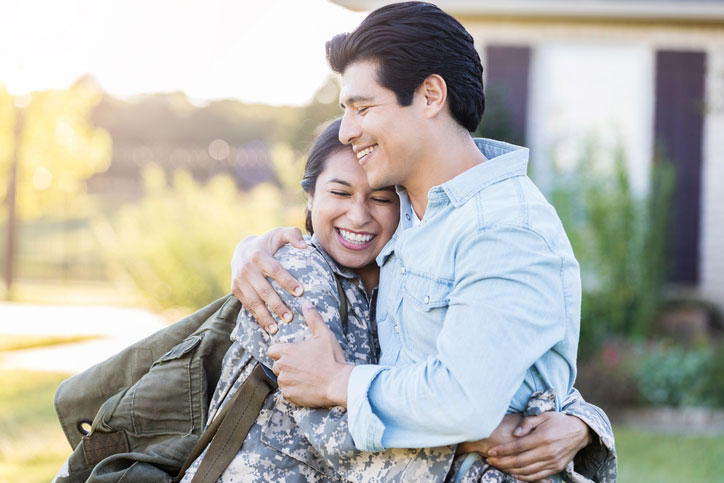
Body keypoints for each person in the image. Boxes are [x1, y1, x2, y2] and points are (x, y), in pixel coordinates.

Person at [229, 2, 616, 482]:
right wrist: (254, 246)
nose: (347, 132)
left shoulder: (504, 228)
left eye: (363, 107)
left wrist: (337, 382)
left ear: (431, 95)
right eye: (344, 111)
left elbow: (465, 400)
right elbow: (506, 371)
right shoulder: (409, 213)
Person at [183, 119, 613, 482]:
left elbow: (494, 367)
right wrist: (480, 431)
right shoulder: (294, 275)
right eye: (339, 193)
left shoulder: (403, 277)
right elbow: (338, 433)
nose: (358, 215)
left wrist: (583, 425)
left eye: (380, 198)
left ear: (403, 206)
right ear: (310, 198)